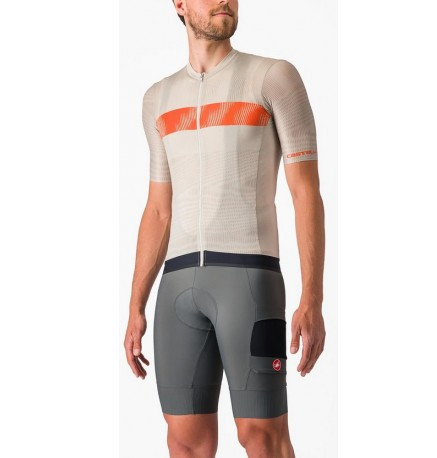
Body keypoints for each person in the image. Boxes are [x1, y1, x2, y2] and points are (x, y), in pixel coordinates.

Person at [124, 1, 326, 456]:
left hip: (249, 282)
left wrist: (312, 297)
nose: (225, 0)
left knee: (262, 436)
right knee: (185, 441)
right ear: (179, 4)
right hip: (177, 289)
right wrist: (135, 304)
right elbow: (158, 210)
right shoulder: (157, 99)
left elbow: (305, 193)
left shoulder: (274, 78)